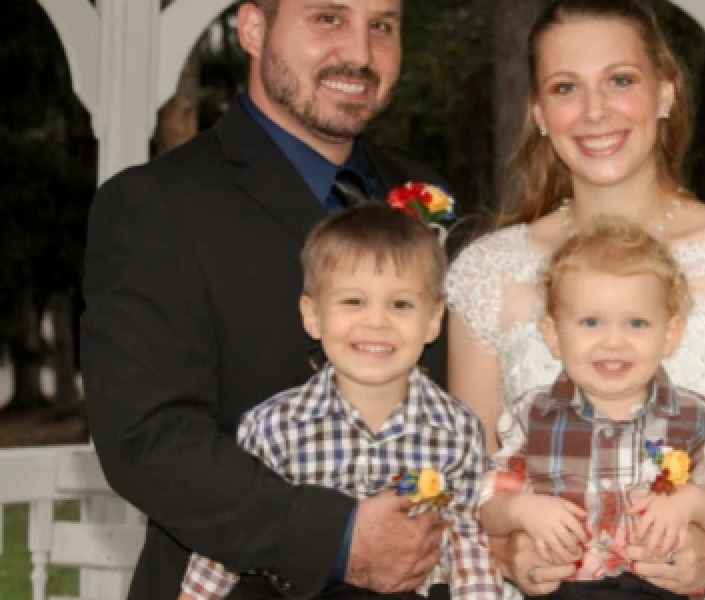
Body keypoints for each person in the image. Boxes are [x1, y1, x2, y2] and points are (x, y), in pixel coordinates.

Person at [444, 0, 705, 597]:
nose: (595, 110)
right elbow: (471, 470)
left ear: (665, 92)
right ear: (539, 112)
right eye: (565, 87)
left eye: (621, 80)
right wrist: (511, 551)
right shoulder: (488, 273)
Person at [81, 1, 452, 598]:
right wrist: (338, 539)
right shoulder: (156, 205)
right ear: (253, 29)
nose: (359, 53)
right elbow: (148, 439)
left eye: (381, 25)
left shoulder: (431, 195)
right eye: (328, 18)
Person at [177, 205, 499, 600]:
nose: (376, 322)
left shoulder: (457, 430)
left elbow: (467, 541)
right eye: (353, 302)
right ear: (312, 315)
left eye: (400, 304)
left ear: (433, 321)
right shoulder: (273, 426)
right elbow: (233, 537)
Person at [478, 217, 705, 600]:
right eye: (590, 322)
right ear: (554, 334)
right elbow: (489, 505)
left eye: (637, 323)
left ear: (670, 334)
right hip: (563, 587)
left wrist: (692, 502)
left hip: (660, 585)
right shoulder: (532, 415)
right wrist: (522, 511)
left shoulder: (697, 418)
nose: (613, 341)